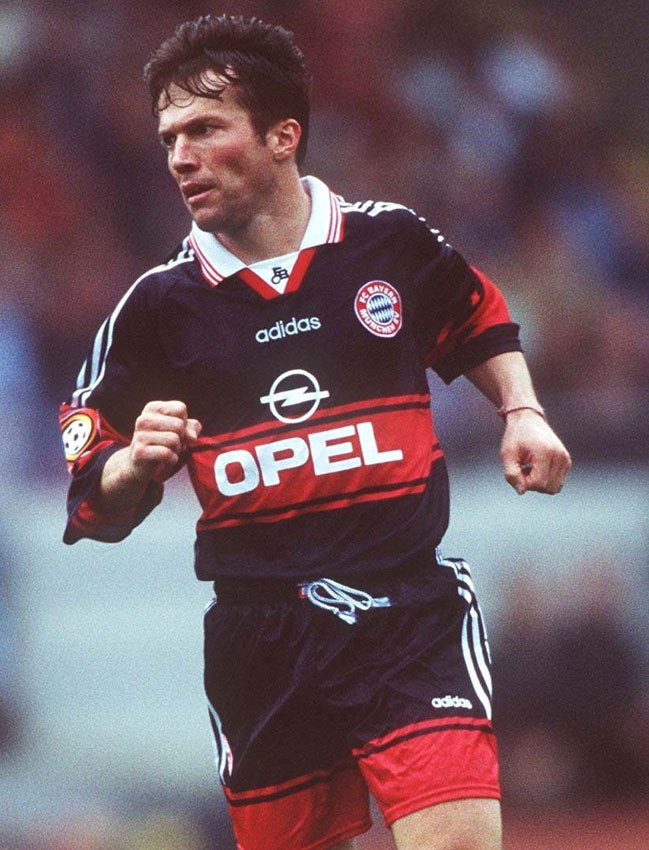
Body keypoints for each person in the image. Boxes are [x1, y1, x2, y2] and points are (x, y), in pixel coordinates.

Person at [59, 14, 571, 850]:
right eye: (168, 139)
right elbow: (90, 473)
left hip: (406, 611)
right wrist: (132, 466)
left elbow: (477, 315)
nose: (180, 157)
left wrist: (521, 409)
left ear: (281, 135)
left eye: (204, 129)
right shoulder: (155, 307)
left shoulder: (388, 242)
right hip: (260, 636)